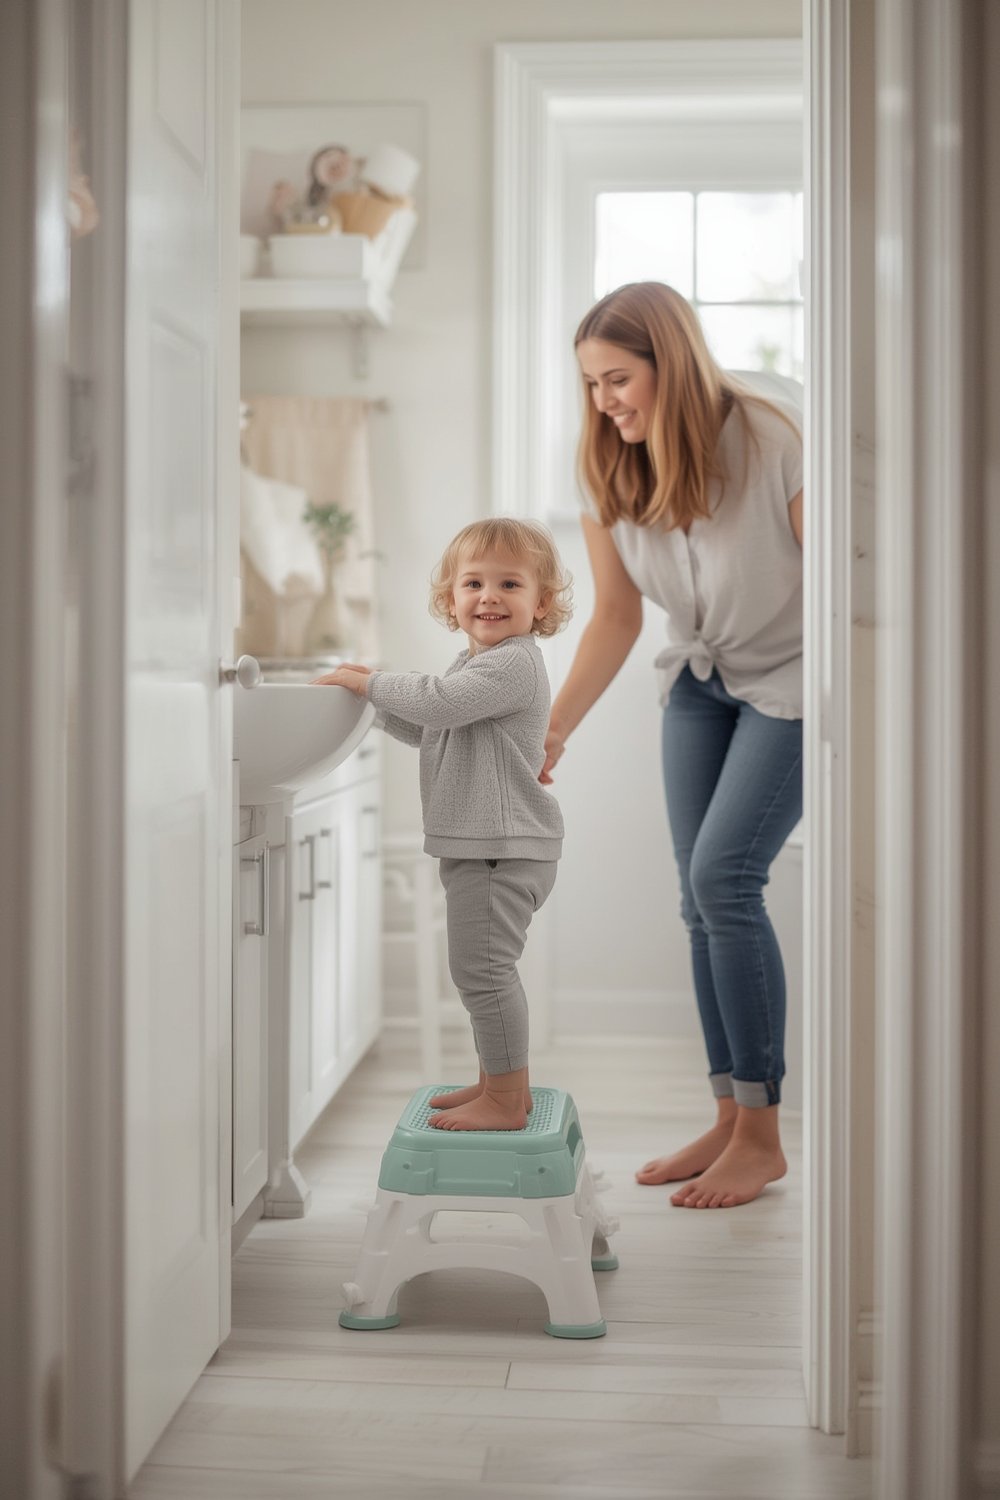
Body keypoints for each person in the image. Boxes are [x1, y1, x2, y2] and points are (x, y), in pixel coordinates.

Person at [543, 281, 804, 1209]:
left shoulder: (775, 437)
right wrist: (557, 724)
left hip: (795, 686)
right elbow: (615, 616)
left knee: (724, 882)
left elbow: (843, 586)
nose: (606, 401)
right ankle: (731, 1115)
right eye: (591, 385)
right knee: (698, 902)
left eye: (618, 379)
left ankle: (765, 1134)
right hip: (699, 682)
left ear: (673, 363)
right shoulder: (606, 467)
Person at [313, 517, 572, 1131]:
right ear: (449, 601)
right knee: (480, 970)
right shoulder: (475, 663)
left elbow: (437, 703)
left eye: (510, 584)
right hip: (490, 845)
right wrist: (371, 705)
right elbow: (435, 725)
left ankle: (507, 1100)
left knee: (481, 972)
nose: (489, 596)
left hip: (498, 848)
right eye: (473, 584)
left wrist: (370, 683)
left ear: (541, 605)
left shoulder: (510, 665)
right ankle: (497, 1084)